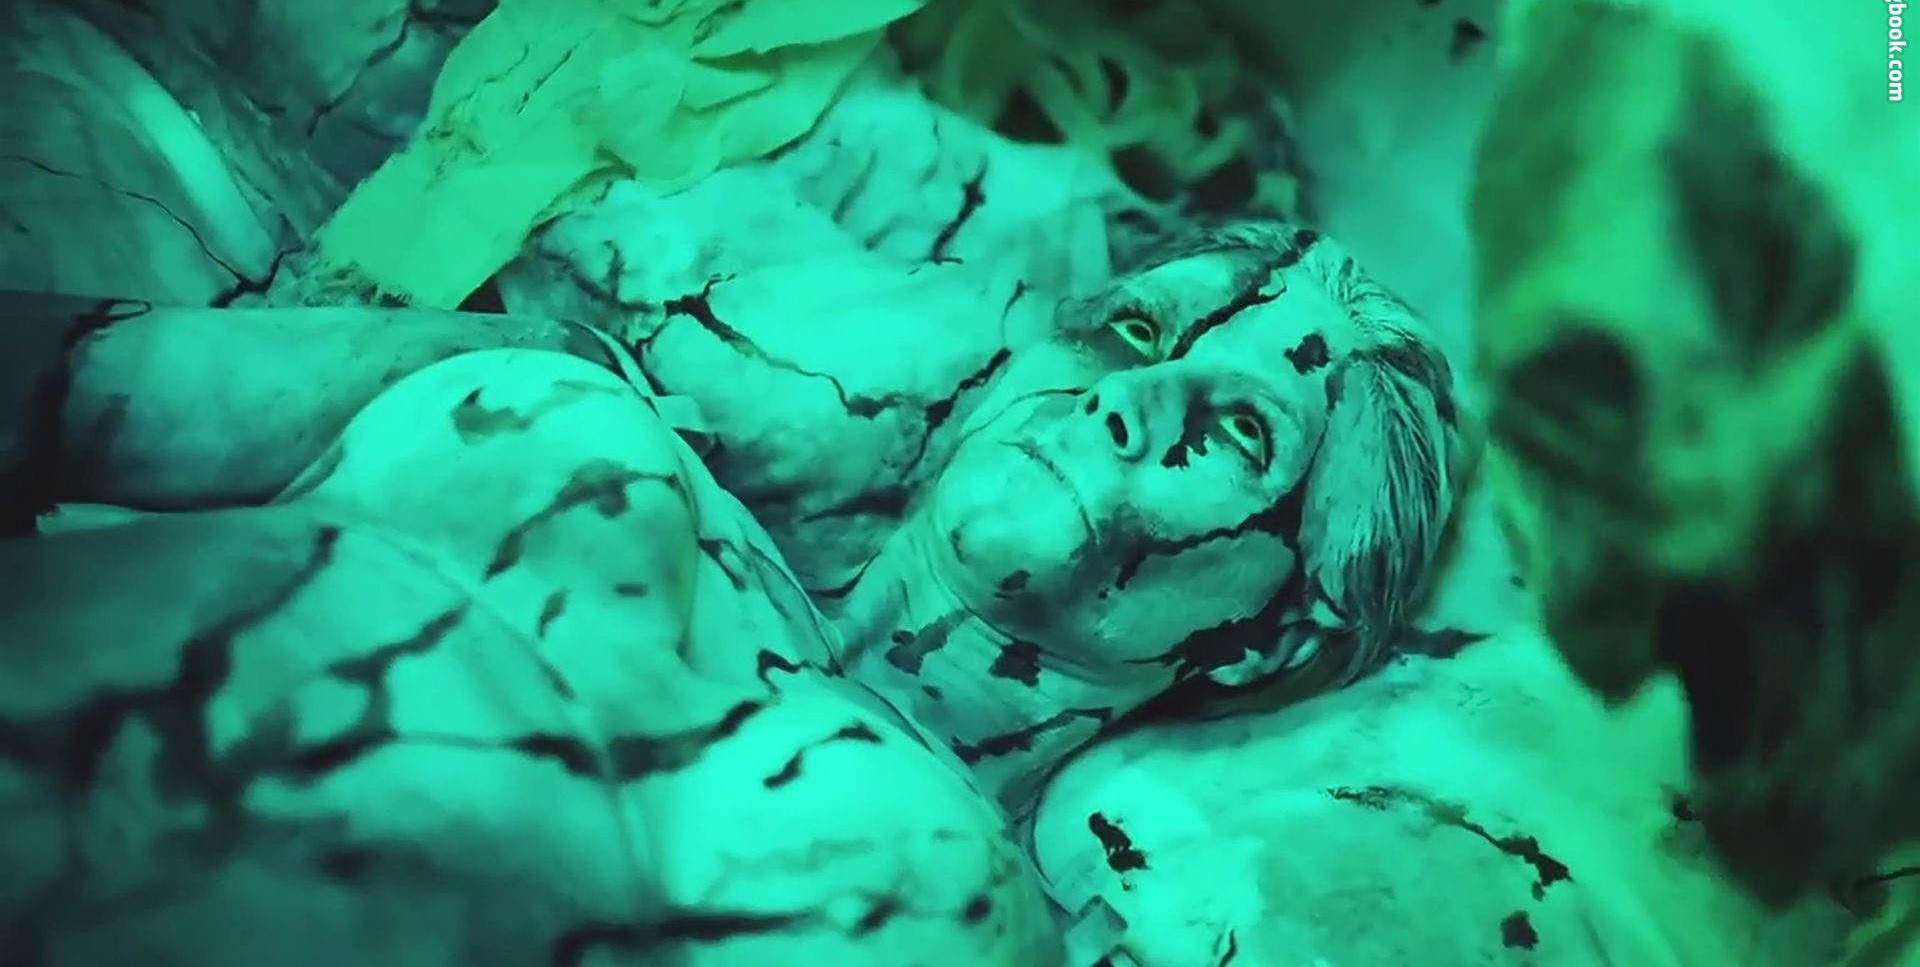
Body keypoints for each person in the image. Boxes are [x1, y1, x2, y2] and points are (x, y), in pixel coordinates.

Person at [0, 220, 1467, 964]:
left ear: (1268, 641)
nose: (1132, 395)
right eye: (1134, 332)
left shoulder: (955, 910)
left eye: (1239, 430)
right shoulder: (554, 386)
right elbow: (62, 383)